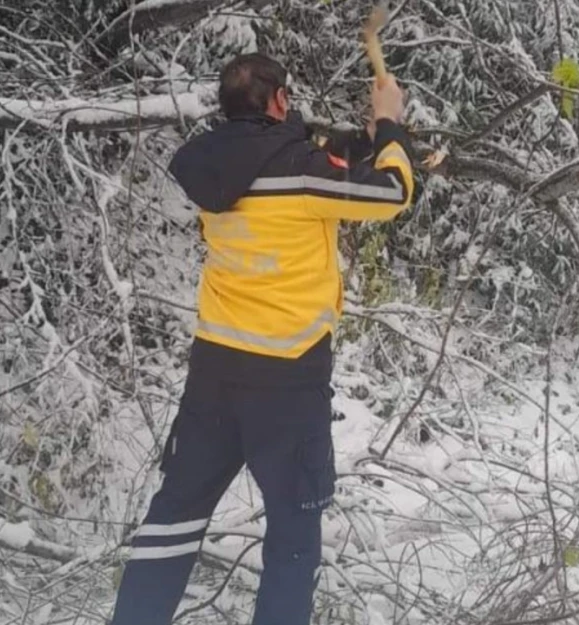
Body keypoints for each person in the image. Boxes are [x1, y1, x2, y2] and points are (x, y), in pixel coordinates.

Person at [109, 53, 415, 625]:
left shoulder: (211, 175)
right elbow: (392, 193)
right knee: (293, 538)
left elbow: (288, 162)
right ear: (278, 100)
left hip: (214, 379)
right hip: (287, 382)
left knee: (172, 521)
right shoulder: (300, 174)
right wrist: (390, 125)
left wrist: (356, 142)